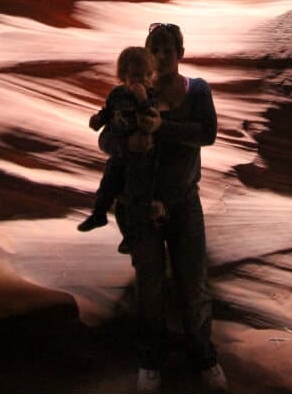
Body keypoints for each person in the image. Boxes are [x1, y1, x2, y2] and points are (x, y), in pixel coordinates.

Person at [100, 23, 227, 393]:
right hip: (141, 207)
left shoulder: (197, 91)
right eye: (154, 50)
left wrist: (161, 128)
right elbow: (106, 140)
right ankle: (149, 361)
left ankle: (204, 356)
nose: (160, 57)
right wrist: (129, 145)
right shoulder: (130, 93)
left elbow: (207, 133)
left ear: (180, 54)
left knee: (193, 284)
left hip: (184, 202)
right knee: (150, 288)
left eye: (167, 50)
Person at [78, 46, 161, 254]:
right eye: (135, 75)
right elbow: (108, 112)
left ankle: (131, 237)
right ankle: (98, 214)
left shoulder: (150, 95)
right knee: (107, 185)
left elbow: (151, 117)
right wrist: (99, 120)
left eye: (145, 75)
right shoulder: (116, 94)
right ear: (123, 74)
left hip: (139, 158)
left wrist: (142, 99)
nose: (140, 79)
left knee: (134, 196)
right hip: (119, 152)